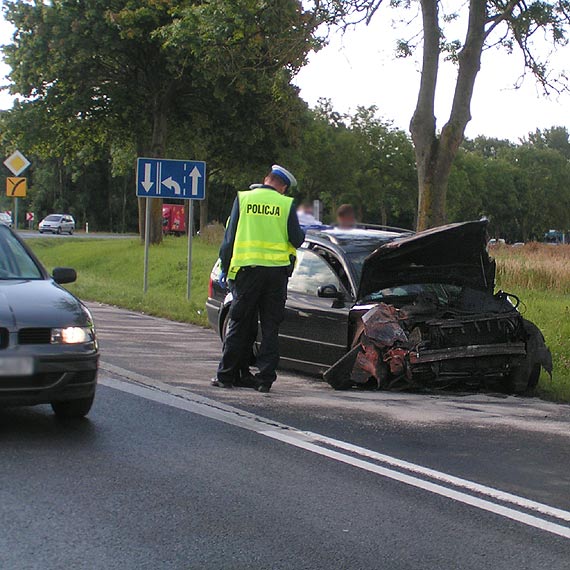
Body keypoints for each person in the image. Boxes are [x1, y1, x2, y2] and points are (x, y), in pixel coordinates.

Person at [213, 165, 305, 392]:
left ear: (266, 179)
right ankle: (265, 380)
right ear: (283, 187)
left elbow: (229, 238)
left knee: (239, 322)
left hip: (247, 272)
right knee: (271, 326)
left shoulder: (243, 199)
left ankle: (226, 375)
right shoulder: (286, 204)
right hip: (276, 274)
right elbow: (297, 240)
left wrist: (225, 267)